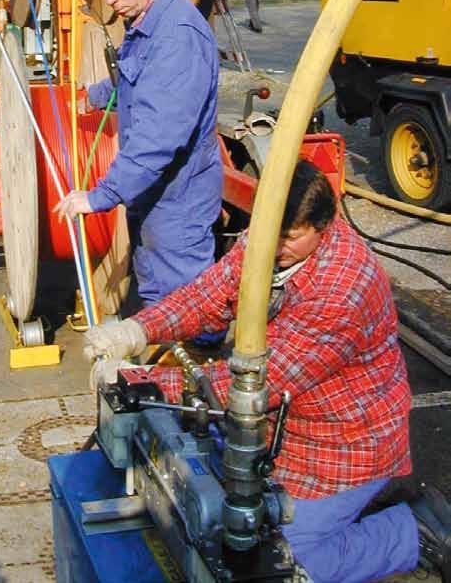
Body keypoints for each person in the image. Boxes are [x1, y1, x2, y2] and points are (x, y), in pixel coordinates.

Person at [82, 160, 451, 583]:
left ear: (324, 224)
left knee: (274, 570)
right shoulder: (271, 238)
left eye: (289, 238)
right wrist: (137, 330)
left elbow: (258, 384)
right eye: (270, 233)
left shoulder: (343, 289)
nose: (274, 249)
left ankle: (411, 532)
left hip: (342, 451)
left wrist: (138, 380)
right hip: (282, 432)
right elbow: (210, 295)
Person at [54, 0, 222, 308]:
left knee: (186, 300)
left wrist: (102, 196)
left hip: (178, 196)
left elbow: (157, 136)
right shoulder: (148, 22)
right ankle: (166, 359)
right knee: (157, 292)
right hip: (156, 193)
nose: (110, 0)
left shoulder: (176, 36)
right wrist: (95, 97)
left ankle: (199, 361)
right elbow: (140, 83)